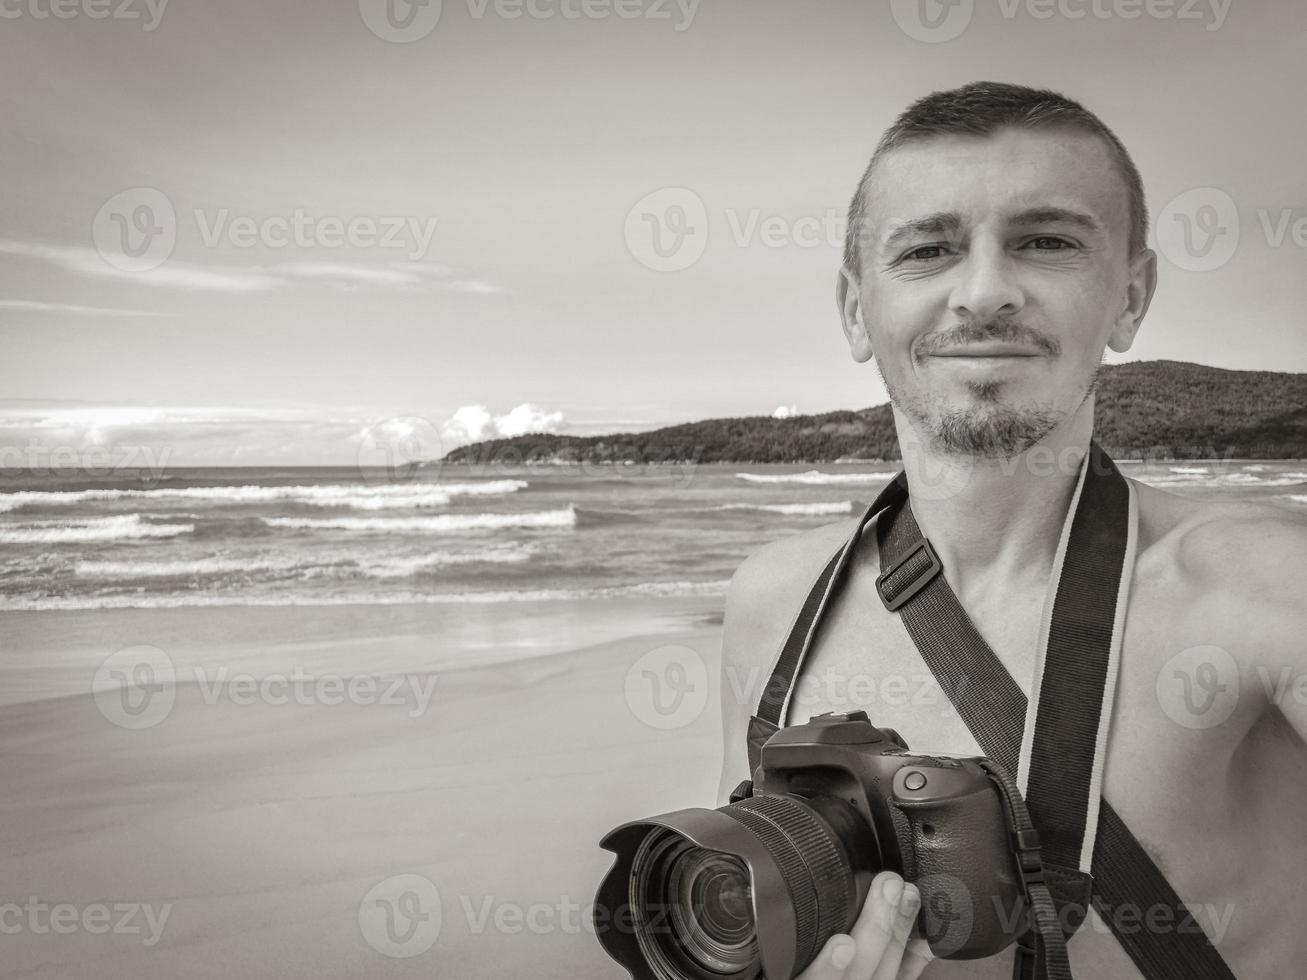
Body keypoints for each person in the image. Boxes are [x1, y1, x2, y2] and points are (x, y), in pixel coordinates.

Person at [716, 81, 1307, 979]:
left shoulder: (1266, 587)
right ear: (853, 310)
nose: (984, 292)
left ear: (1130, 298)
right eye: (925, 250)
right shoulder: (772, 601)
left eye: (1046, 242)